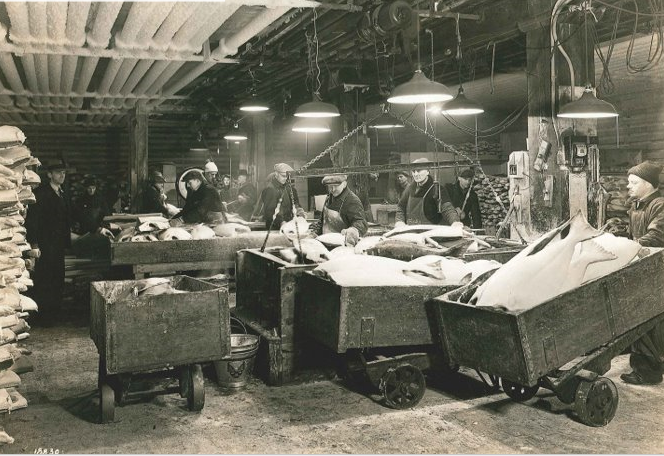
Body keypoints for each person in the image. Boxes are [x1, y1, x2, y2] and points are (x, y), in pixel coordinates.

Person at [621, 161, 664, 385]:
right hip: (642, 267)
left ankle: (649, 371)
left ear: (648, 184)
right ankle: (645, 365)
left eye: (634, 182)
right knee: (640, 317)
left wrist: (627, 248)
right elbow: (633, 235)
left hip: (658, 269)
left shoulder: (659, 205)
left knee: (650, 320)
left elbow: (655, 237)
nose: (629, 186)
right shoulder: (636, 206)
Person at [25, 159, 72, 319]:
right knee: (45, 278)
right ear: (49, 174)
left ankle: (55, 312)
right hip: (46, 243)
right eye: (58, 173)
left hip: (58, 244)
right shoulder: (41, 194)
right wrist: (34, 243)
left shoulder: (62, 192)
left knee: (58, 277)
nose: (62, 175)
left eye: (64, 173)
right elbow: (33, 221)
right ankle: (45, 315)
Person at [395, 158, 461, 227]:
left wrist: (455, 222)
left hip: (430, 231)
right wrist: (399, 221)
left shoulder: (437, 189)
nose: (416, 174)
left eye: (419, 171)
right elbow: (401, 207)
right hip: (412, 230)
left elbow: (447, 208)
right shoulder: (409, 189)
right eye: (413, 171)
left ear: (427, 171)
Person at [310, 174, 368, 246]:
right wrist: (314, 233)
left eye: (336, 186)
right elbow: (322, 222)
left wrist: (353, 230)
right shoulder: (329, 198)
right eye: (330, 187)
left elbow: (361, 222)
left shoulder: (352, 200)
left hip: (343, 246)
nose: (333, 190)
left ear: (344, 184)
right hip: (326, 244)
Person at [262, 163, 306, 229]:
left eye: (288, 177)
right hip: (275, 227)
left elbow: (296, 204)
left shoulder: (289, 188)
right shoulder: (270, 189)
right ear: (276, 174)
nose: (286, 179)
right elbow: (270, 212)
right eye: (283, 176)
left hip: (289, 225)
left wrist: (300, 215)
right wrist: (281, 222)